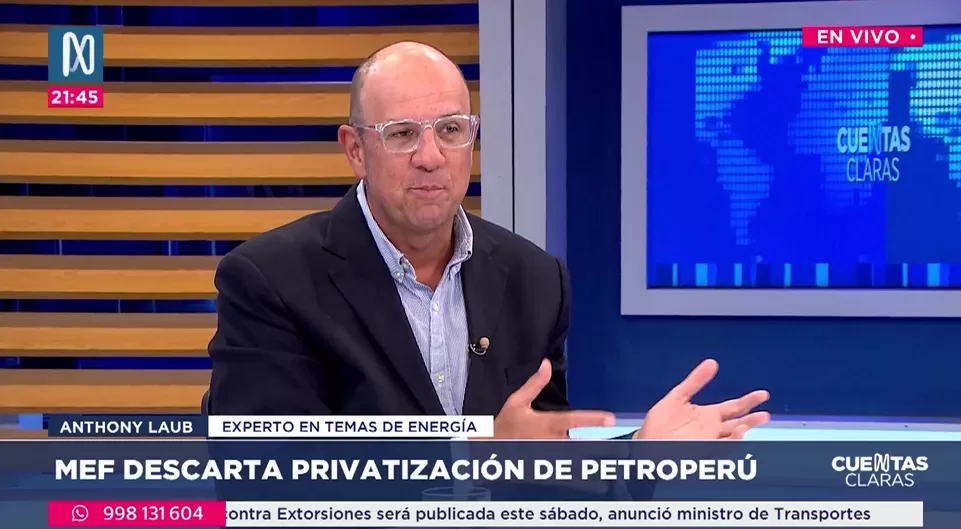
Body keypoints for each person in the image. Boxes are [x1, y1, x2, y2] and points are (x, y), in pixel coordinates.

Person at [207, 41, 770, 440]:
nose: (431, 157)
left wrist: (641, 457)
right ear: (355, 149)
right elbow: (268, 479)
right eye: (402, 134)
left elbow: (539, 468)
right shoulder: (271, 280)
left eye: (451, 130)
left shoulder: (535, 280)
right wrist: (473, 456)